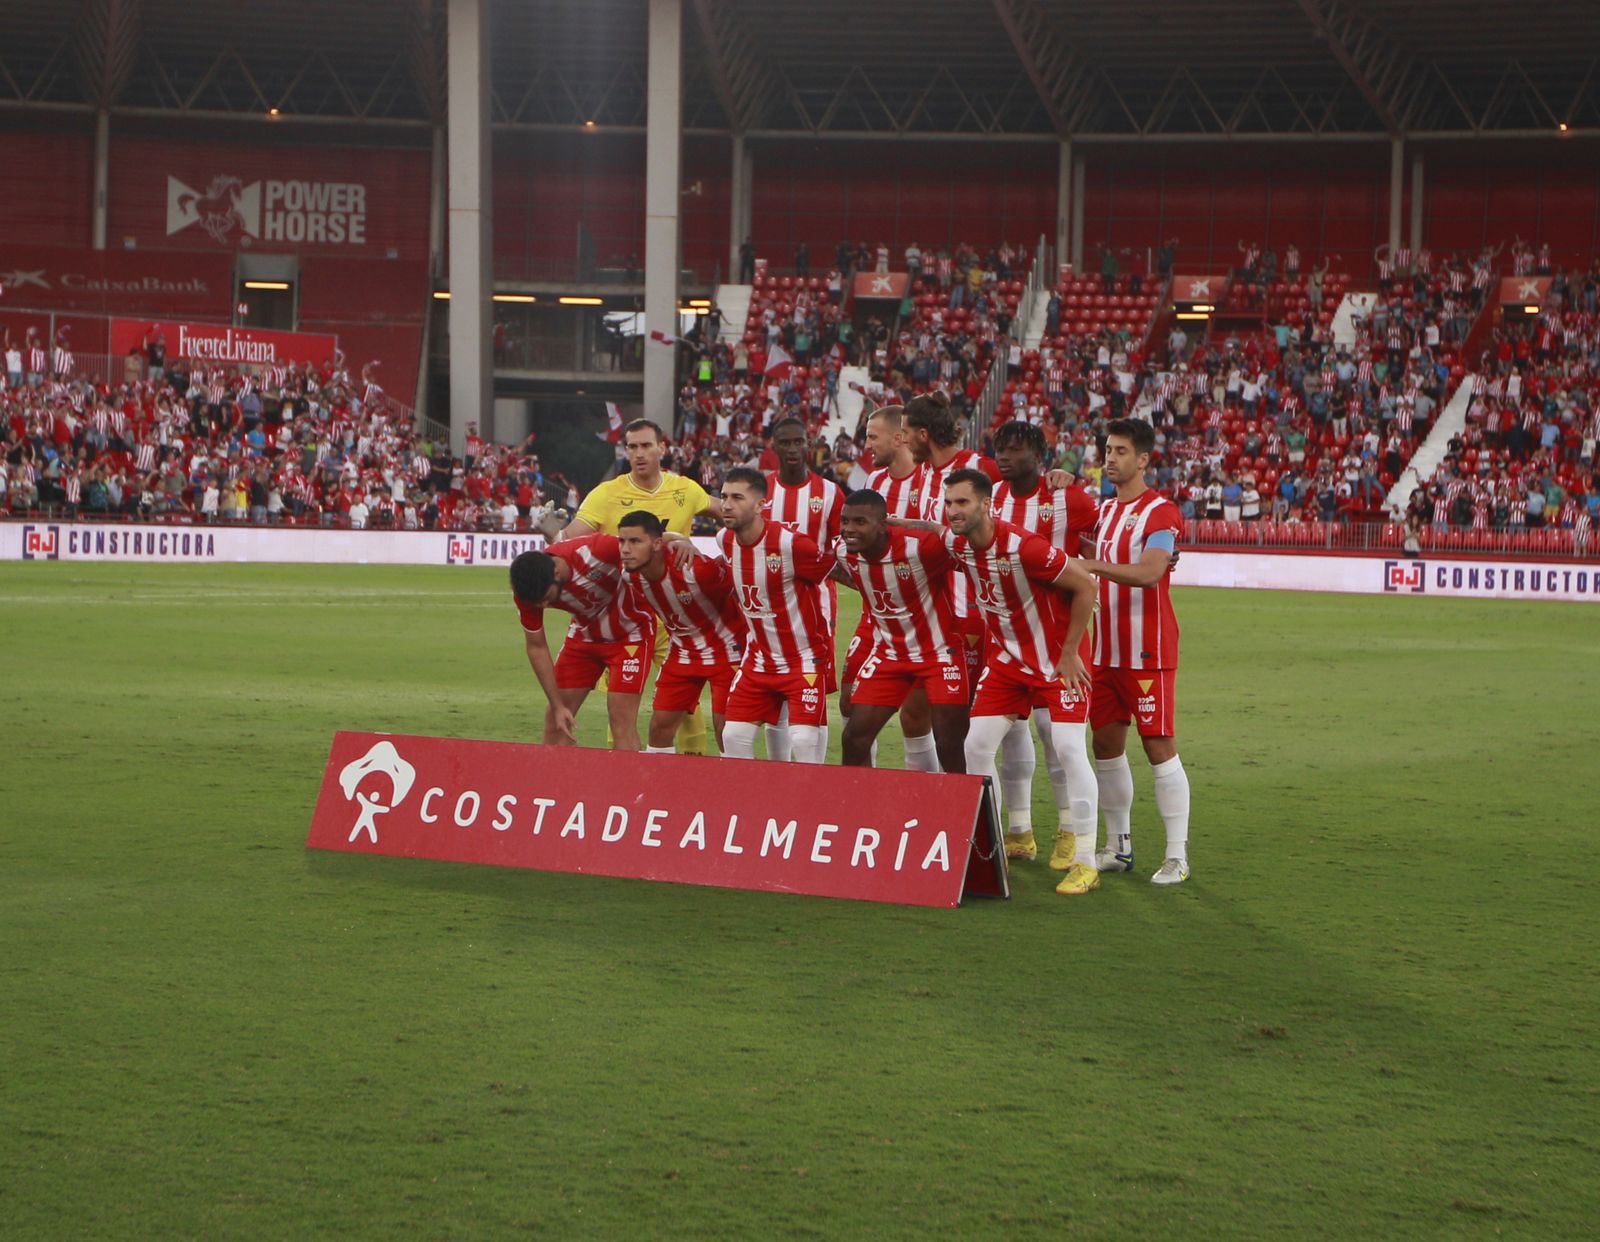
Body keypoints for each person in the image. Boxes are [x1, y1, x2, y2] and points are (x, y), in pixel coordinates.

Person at [938, 469, 1101, 896]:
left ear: (986, 504)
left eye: (963, 503)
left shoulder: (1024, 547)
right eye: (949, 502)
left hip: (1056, 663)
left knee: (1067, 748)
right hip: (1008, 664)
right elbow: (928, 531)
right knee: (974, 746)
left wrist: (1069, 654)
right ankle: (994, 844)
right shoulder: (955, 541)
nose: (954, 511)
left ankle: (1086, 860)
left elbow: (1085, 585)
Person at [558, 418, 720, 754]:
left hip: (676, 618)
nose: (639, 453)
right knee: (621, 708)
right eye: (632, 446)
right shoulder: (607, 494)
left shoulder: (686, 490)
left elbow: (729, 513)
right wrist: (555, 535)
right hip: (626, 619)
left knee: (688, 706)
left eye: (646, 445)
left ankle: (692, 780)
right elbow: (571, 537)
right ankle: (622, 781)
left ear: (662, 448)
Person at [1079, 417, 1191, 885]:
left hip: (1148, 651)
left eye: (1121, 451)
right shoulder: (1104, 512)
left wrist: (1091, 564)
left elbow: (1148, 572)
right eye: (1108, 449)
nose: (1111, 457)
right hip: (1104, 651)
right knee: (1105, 747)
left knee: (1158, 747)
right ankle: (1118, 845)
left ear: (1143, 459)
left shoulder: (1161, 512)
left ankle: (1177, 855)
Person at [990, 420, 1101, 869]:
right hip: (1008, 640)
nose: (1004, 456)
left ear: (1039, 455)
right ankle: (1019, 828)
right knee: (1009, 735)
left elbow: (1103, 532)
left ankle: (1070, 830)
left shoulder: (1067, 498)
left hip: (1057, 639)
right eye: (1000, 448)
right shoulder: (989, 496)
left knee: (1056, 738)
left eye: (1015, 450)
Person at [832, 490, 968, 774]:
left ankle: (963, 815)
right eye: (845, 521)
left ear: (883, 524)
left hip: (939, 654)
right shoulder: (843, 551)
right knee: (854, 738)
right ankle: (858, 813)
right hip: (889, 655)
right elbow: (842, 572)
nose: (849, 529)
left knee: (949, 743)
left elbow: (974, 559)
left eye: (859, 522)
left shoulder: (921, 548)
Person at [714, 467, 834, 764]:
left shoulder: (791, 544)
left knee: (804, 740)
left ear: (760, 505)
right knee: (732, 737)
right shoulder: (724, 540)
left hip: (802, 657)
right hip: (759, 660)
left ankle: (807, 807)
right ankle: (751, 805)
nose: (727, 504)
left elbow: (834, 571)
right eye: (724, 496)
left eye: (737, 498)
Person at [508, 537, 657, 751]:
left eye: (547, 598)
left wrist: (678, 541)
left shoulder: (598, 551)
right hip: (584, 637)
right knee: (555, 720)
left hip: (631, 635)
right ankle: (553, 783)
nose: (544, 605)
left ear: (556, 574)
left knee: (620, 721)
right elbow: (536, 647)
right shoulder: (527, 592)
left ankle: (627, 784)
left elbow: (645, 543)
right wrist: (558, 706)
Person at [617, 510, 744, 755]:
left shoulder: (695, 569)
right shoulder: (631, 574)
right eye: (622, 541)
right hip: (683, 653)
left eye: (634, 541)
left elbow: (740, 586)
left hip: (727, 651)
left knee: (725, 729)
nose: (625, 549)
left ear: (656, 544)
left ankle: (734, 789)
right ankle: (658, 789)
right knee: (659, 727)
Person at [762, 417, 847, 760]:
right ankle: (778, 775)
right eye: (786, 443)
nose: (794, 449)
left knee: (814, 689)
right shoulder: (761, 490)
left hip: (816, 607)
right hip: (768, 609)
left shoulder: (829, 492)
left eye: (800, 442)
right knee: (773, 691)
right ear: (775, 447)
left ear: (809, 445)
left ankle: (814, 773)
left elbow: (842, 547)